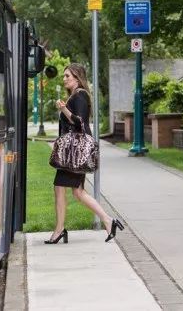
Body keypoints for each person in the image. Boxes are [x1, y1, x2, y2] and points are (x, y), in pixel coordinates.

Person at [45, 63, 124, 244]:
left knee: (63, 188)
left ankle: (60, 230)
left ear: (77, 77)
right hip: (75, 152)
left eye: (67, 76)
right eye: (64, 76)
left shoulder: (79, 96)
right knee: (77, 192)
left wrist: (63, 109)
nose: (64, 79)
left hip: (75, 152)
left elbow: (80, 123)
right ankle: (107, 220)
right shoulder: (76, 95)